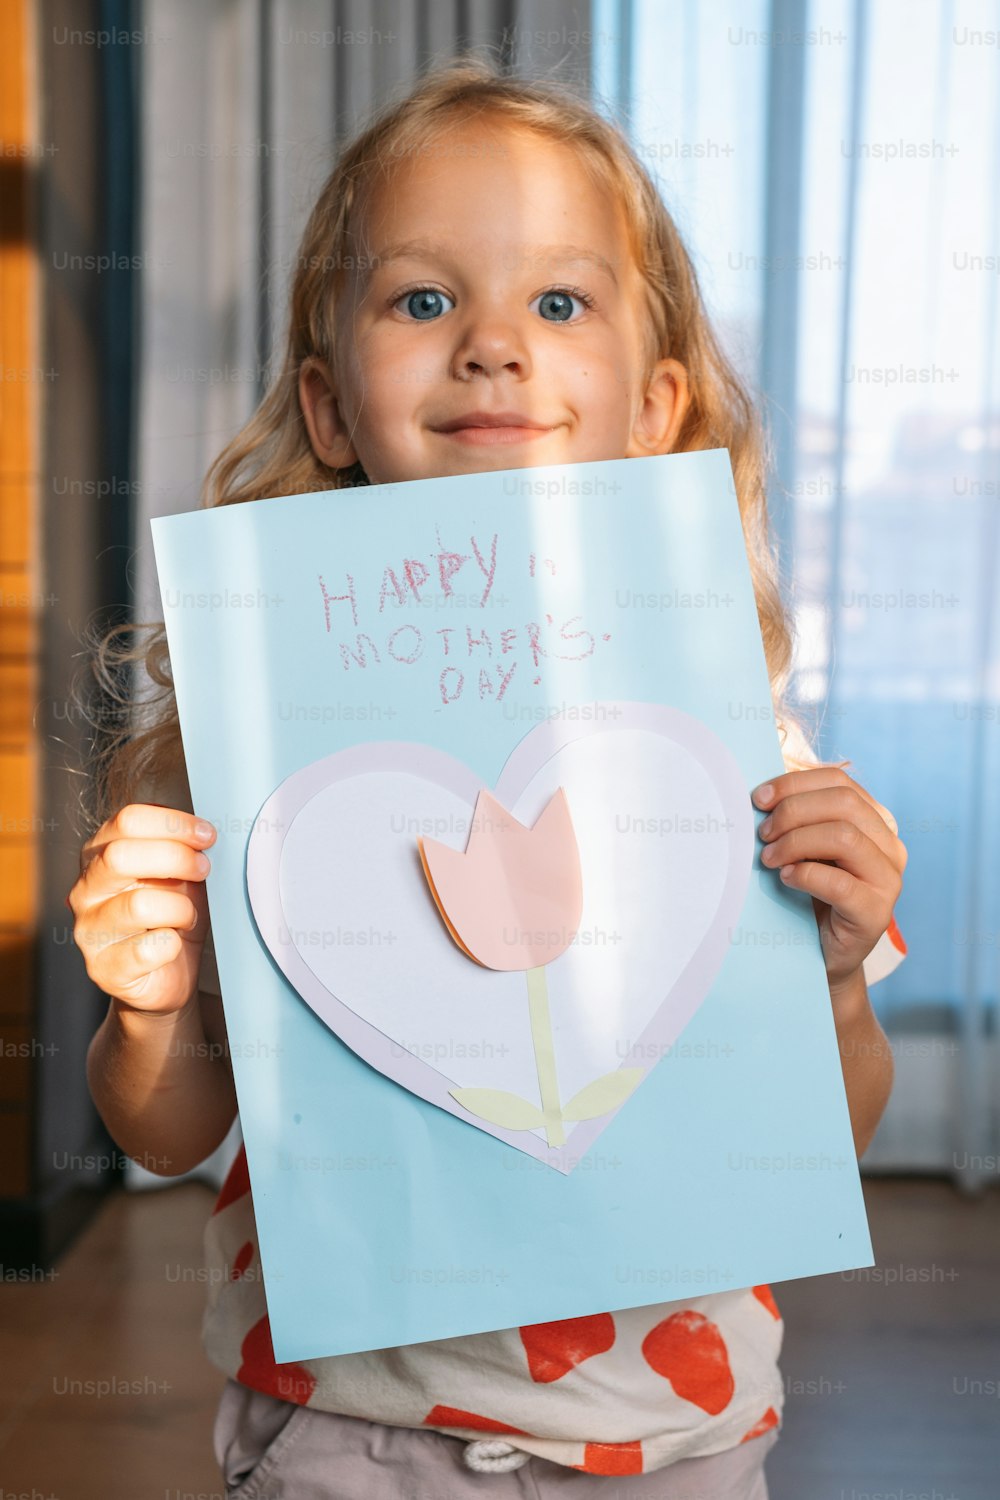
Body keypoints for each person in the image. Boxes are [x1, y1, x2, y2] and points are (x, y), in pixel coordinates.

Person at [70, 54, 908, 1500]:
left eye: (559, 302)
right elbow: (170, 1128)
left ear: (654, 408)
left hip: (675, 1439)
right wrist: (146, 1011)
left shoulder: (738, 757)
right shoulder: (258, 750)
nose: (494, 346)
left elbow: (824, 1127)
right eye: (423, 299)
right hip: (348, 1437)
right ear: (330, 411)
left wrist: (830, 983)